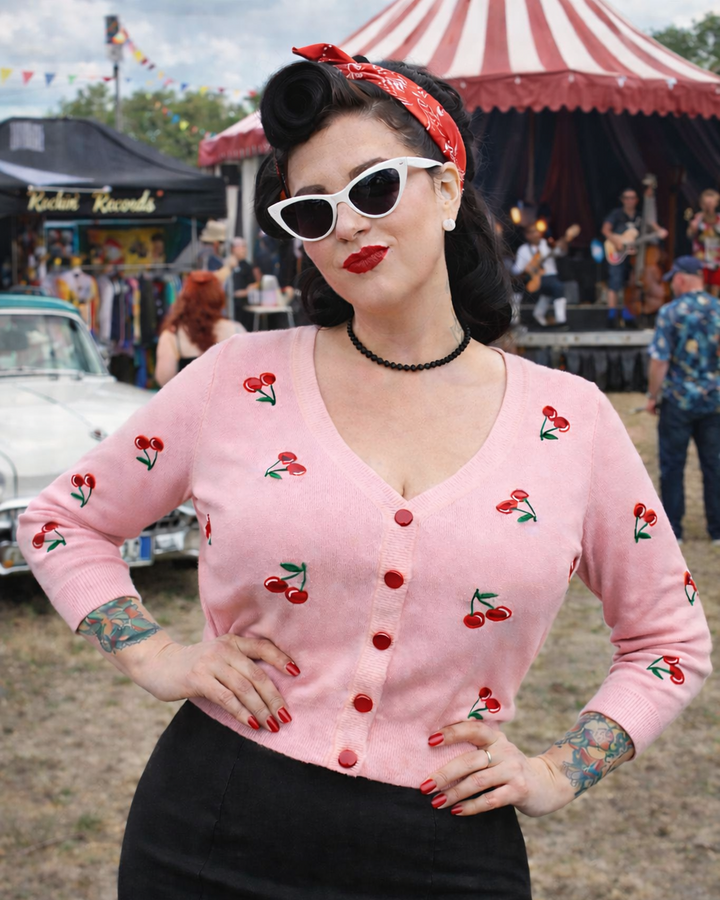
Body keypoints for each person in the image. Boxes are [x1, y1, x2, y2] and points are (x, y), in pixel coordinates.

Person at [18, 43, 711, 900]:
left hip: (449, 855)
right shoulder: (237, 381)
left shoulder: (572, 422)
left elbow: (666, 641)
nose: (345, 223)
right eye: (311, 212)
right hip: (209, 831)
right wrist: (154, 654)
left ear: (449, 188)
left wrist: (562, 770)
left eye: (374, 187)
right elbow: (63, 521)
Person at [646, 255, 720, 545]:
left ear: (680, 279)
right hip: (713, 400)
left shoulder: (670, 312)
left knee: (672, 465)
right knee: (714, 465)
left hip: (677, 401)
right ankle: (717, 531)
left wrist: (653, 395)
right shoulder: (717, 310)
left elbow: (659, 361)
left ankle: (674, 530)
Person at [154, 270, 245, 387]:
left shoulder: (172, 336)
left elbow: (164, 379)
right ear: (218, 297)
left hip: (187, 403)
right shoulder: (235, 330)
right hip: (227, 403)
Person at [602, 188, 668, 328]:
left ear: (637, 200)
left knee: (630, 285)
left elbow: (652, 225)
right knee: (615, 282)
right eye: (627, 198)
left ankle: (628, 315)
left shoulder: (640, 217)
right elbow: (606, 230)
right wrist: (616, 241)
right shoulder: (616, 214)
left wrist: (659, 231)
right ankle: (611, 316)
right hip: (618, 253)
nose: (629, 201)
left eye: (632, 198)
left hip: (633, 255)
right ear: (622, 200)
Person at [511, 223, 568, 327]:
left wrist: (563, 243)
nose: (536, 234)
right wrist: (527, 268)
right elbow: (516, 269)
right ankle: (514, 319)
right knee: (516, 285)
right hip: (532, 278)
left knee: (557, 286)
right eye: (533, 232)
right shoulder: (523, 250)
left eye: (537, 231)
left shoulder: (547, 244)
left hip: (549, 276)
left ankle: (561, 320)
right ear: (527, 235)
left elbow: (560, 253)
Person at [687, 188, 720, 295]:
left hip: (717, 262)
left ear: (716, 203)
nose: (709, 206)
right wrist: (693, 227)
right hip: (701, 262)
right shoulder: (698, 219)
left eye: (711, 202)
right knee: (701, 290)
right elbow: (689, 235)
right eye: (707, 203)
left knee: (715, 292)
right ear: (702, 204)